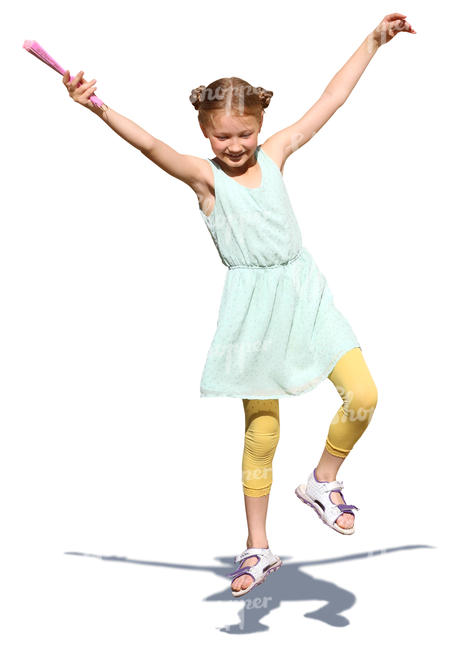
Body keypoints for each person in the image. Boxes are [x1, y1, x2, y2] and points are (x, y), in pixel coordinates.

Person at [61, 12, 416, 599]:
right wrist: (93, 106)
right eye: (222, 136)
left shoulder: (276, 152)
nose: (234, 145)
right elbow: (149, 142)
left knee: (364, 395)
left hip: (307, 294)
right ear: (205, 133)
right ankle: (258, 545)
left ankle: (323, 482)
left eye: (243, 133)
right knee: (263, 429)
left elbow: (331, 97)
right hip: (255, 312)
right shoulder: (205, 180)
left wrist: (374, 41)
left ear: (259, 125)